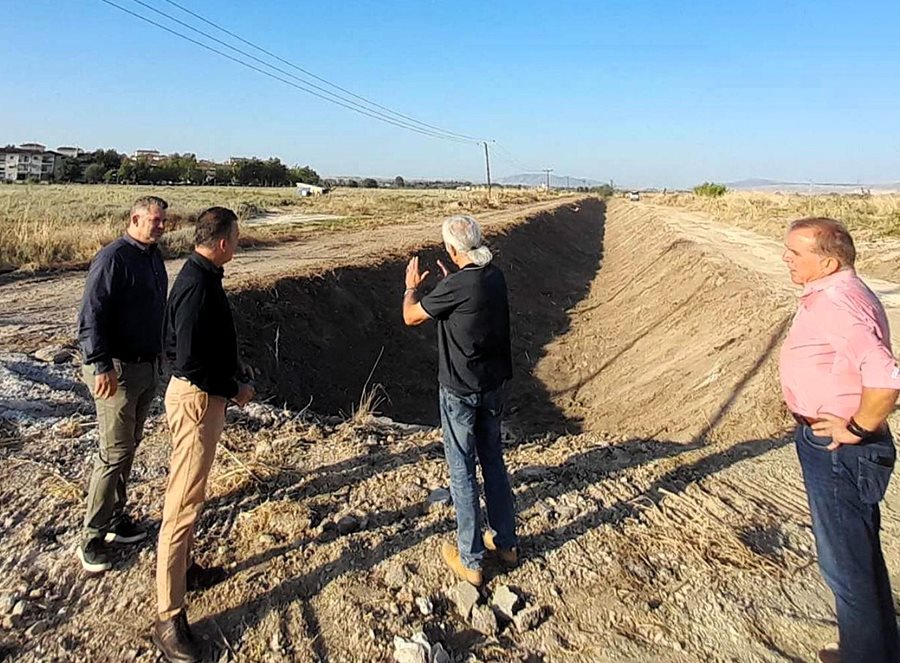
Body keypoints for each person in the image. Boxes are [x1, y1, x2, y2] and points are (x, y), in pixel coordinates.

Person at [780, 217, 900, 663]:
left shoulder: (837, 303)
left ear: (827, 261)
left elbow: (886, 377)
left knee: (846, 566)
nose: (786, 259)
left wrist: (857, 427)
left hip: (840, 449)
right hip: (839, 445)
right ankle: (871, 650)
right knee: (858, 558)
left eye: (795, 253)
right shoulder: (838, 293)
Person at [153, 207, 254, 662]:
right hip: (196, 400)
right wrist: (233, 388)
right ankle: (168, 616)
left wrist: (231, 373)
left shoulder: (203, 275)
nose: (238, 244)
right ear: (222, 243)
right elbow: (189, 360)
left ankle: (187, 570)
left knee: (190, 496)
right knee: (181, 506)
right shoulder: (197, 285)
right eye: (236, 237)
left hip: (201, 398)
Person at [402, 214, 517, 586]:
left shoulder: (457, 287)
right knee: (493, 462)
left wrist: (411, 288)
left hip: (460, 392)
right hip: (493, 386)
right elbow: (470, 300)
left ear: (452, 249)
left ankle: (471, 561)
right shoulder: (493, 277)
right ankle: (506, 543)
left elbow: (410, 317)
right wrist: (450, 284)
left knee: (462, 471)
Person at [76, 195, 168, 573]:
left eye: (164, 221)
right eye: (155, 220)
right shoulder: (113, 258)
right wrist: (99, 364)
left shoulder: (153, 257)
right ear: (134, 218)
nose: (161, 226)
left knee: (129, 446)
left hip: (145, 369)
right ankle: (91, 537)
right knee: (113, 453)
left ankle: (116, 520)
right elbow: (91, 314)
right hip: (116, 371)